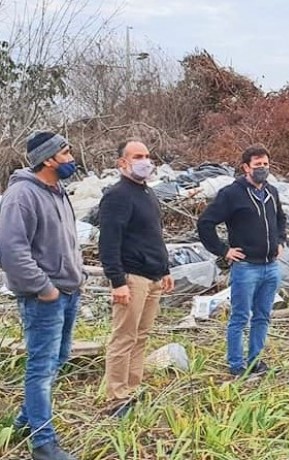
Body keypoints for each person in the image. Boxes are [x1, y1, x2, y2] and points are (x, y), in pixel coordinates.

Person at [0, 131, 84, 460]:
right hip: (44, 298)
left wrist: (76, 278)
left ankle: (25, 420)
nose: (70, 157)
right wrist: (43, 287)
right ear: (48, 159)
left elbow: (65, 241)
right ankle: (42, 443)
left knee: (58, 360)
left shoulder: (58, 190)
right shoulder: (22, 194)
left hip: (68, 291)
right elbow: (10, 250)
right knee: (41, 367)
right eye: (65, 152)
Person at [98, 140, 174, 417]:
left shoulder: (147, 194)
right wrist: (117, 281)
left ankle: (132, 388)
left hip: (152, 276)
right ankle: (117, 398)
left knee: (141, 337)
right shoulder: (117, 195)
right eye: (137, 156)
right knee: (123, 338)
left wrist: (164, 268)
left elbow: (153, 235)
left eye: (147, 156)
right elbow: (108, 242)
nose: (145, 161)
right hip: (131, 277)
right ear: (122, 163)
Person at [197, 144, 286, 377]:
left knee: (262, 316)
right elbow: (205, 223)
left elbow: (280, 219)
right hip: (246, 268)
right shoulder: (231, 194)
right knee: (239, 317)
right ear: (246, 167)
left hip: (270, 266)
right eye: (258, 165)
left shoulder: (271, 192)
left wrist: (281, 241)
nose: (263, 169)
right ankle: (236, 366)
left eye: (266, 164)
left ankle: (255, 360)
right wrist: (223, 250)